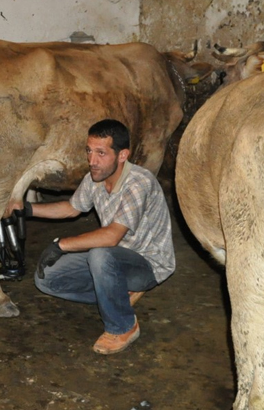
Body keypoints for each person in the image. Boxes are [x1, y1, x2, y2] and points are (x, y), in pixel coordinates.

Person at [24, 119, 175, 355]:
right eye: (89, 151)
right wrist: (27, 210)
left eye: (101, 153)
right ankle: (118, 295)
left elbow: (112, 236)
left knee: (101, 254)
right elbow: (71, 208)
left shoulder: (139, 182)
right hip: (110, 259)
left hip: (146, 262)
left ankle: (124, 326)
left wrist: (61, 245)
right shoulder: (95, 177)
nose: (92, 161)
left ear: (123, 155)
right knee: (47, 279)